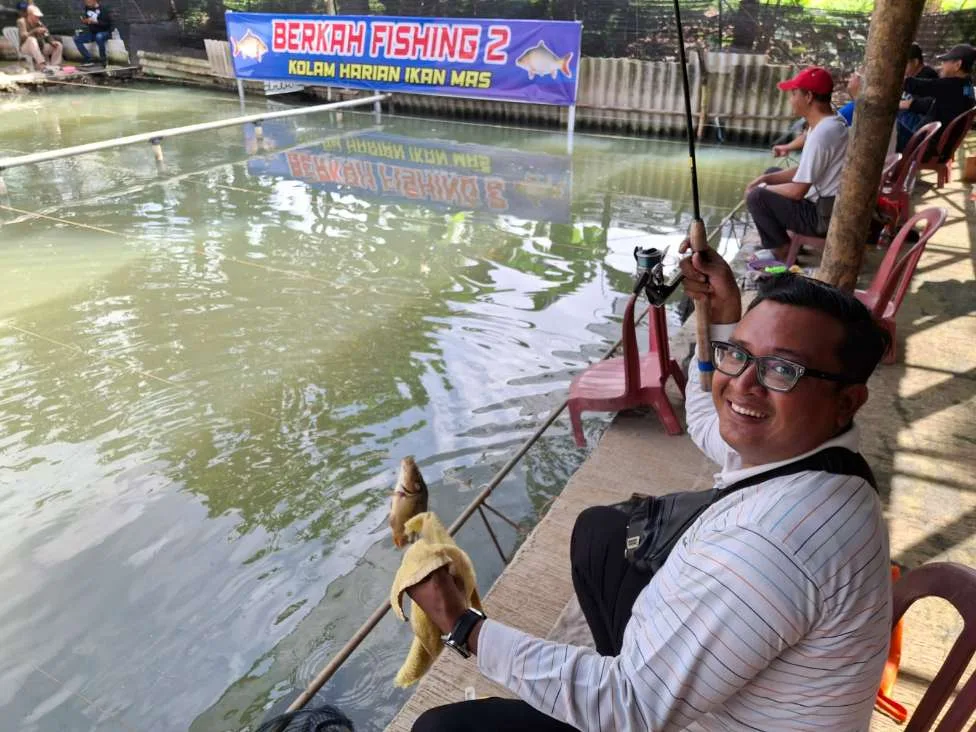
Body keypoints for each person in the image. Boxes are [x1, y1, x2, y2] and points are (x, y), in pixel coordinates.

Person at [405, 262, 893, 731]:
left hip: (675, 716)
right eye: (739, 355)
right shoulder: (810, 451)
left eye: (783, 370)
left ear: (847, 401)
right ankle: (638, 664)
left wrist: (461, 623)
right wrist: (722, 318)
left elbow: (631, 705)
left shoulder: (773, 545)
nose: (743, 384)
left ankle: (624, 671)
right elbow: (711, 415)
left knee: (442, 727)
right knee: (602, 534)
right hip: (734, 696)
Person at [748, 67, 848, 263]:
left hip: (823, 216)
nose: (791, 100)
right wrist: (767, 179)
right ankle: (786, 243)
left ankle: (782, 251)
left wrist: (762, 187)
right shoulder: (828, 123)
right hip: (827, 205)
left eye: (794, 94)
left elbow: (797, 191)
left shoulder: (822, 134)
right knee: (771, 173)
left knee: (756, 197)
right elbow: (805, 172)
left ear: (808, 96)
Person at [897, 43, 975, 154]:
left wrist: (890, 75)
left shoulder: (951, 85)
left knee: (892, 109)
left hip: (929, 145)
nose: (941, 65)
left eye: (945, 62)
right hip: (944, 144)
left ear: (958, 65)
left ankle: (901, 155)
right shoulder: (967, 85)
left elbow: (915, 86)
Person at [15, 1, 62, 71]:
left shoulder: (39, 22)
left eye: (39, 16)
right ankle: (41, 64)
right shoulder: (21, 21)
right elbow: (23, 36)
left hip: (39, 47)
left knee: (58, 45)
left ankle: (55, 66)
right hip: (25, 48)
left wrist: (51, 41)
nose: (38, 18)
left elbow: (47, 34)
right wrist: (35, 31)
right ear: (30, 15)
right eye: (36, 16)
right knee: (31, 39)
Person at [75, 0, 113, 67]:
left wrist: (95, 22)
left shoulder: (103, 9)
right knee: (77, 39)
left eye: (88, 2)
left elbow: (107, 24)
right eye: (85, 2)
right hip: (93, 33)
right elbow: (89, 21)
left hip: (104, 32)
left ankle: (103, 59)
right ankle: (88, 58)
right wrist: (86, 21)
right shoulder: (87, 8)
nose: (86, 3)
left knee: (99, 36)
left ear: (94, 1)